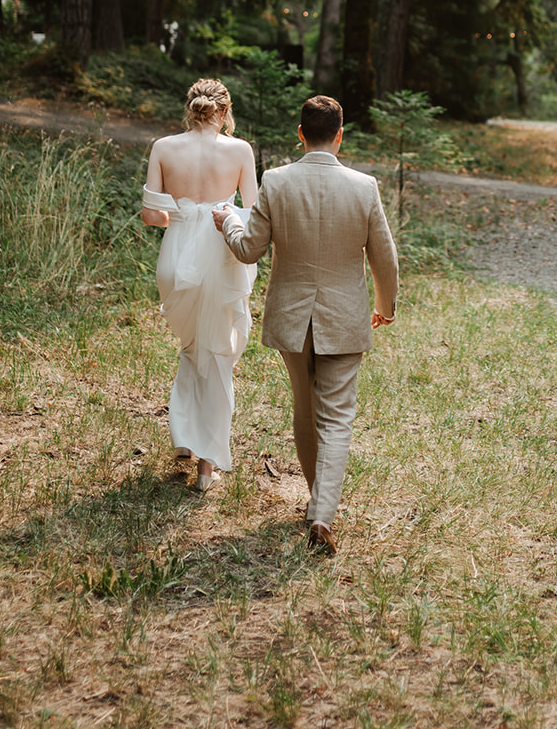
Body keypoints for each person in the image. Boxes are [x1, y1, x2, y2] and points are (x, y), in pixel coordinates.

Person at [213, 94, 398, 554]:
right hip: (345, 314)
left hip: (293, 315)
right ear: (340, 136)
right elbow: (385, 257)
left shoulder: (275, 181)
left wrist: (226, 223)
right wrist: (386, 305)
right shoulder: (364, 186)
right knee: (336, 416)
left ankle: (318, 502)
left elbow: (248, 249)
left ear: (300, 135)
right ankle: (322, 513)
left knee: (303, 407)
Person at [142, 79, 258, 491]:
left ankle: (185, 438)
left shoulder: (163, 147)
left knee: (193, 348)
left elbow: (151, 215)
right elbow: (253, 214)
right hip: (221, 253)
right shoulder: (240, 150)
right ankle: (207, 464)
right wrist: (220, 215)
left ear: (190, 109)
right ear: (224, 112)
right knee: (217, 353)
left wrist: (183, 216)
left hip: (175, 258)